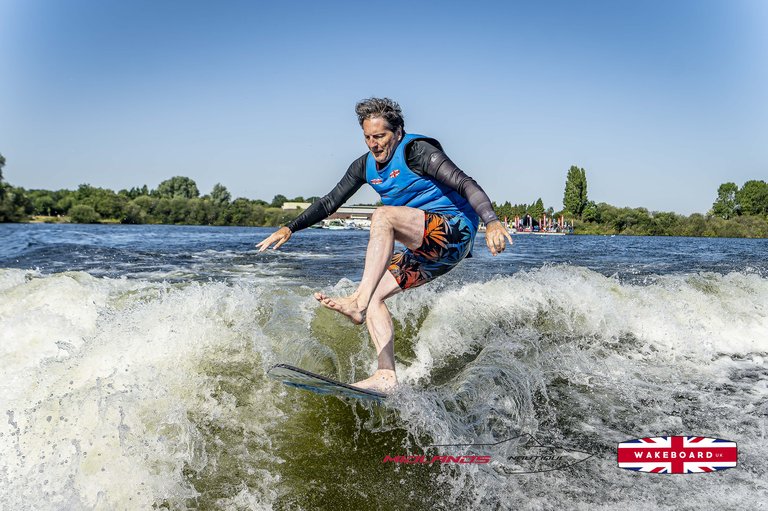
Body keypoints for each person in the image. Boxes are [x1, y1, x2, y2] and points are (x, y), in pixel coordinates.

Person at [257, 98, 512, 393]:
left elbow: (465, 183)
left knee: (383, 216)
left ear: (398, 132)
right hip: (427, 251)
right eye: (367, 137)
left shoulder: (417, 151)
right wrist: (291, 227)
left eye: (380, 136)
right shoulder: (364, 166)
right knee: (377, 295)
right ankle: (385, 376)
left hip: (454, 231)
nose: (374, 144)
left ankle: (358, 302)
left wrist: (491, 221)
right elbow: (330, 202)